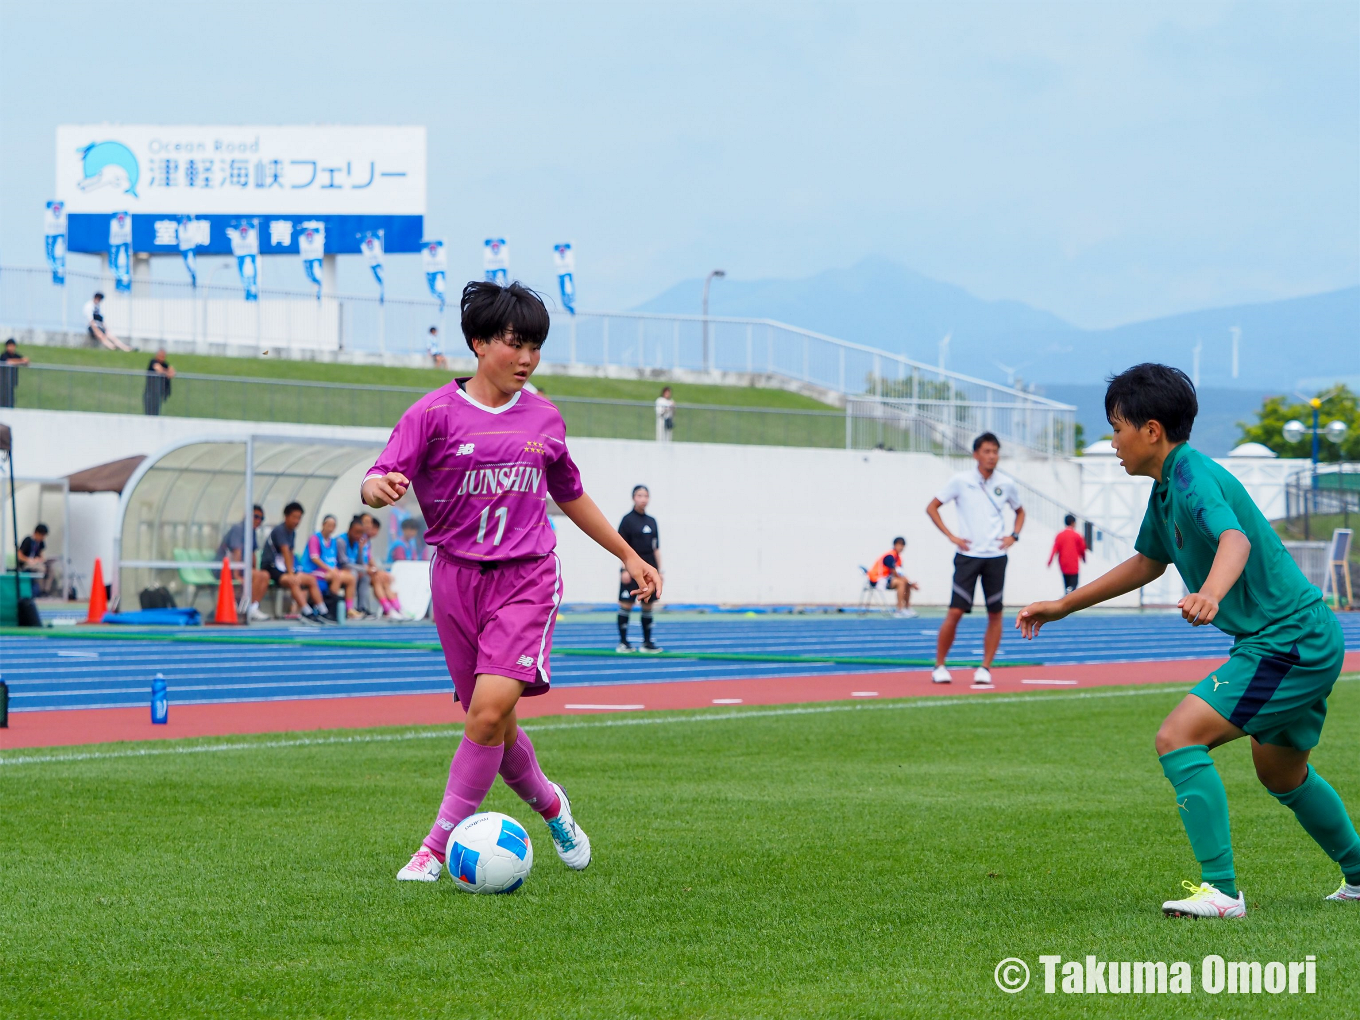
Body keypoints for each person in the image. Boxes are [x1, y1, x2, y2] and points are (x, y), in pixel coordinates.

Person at [1018, 363, 1360, 918]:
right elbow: (1149, 562)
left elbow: (1235, 539)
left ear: (1152, 430)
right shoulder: (1163, 490)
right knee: (1282, 773)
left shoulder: (1192, 476)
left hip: (1287, 640)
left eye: (1117, 426)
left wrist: (1211, 594)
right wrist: (1063, 605)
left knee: (1177, 737)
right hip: (1294, 637)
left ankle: (1222, 893)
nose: (1113, 441)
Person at [362, 279, 662, 884]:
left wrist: (628, 555)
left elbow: (570, 494)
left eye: (536, 347)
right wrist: (377, 490)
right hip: (454, 582)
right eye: (514, 344)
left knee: (487, 712)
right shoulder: (432, 414)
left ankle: (434, 849)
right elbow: (379, 476)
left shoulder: (545, 418)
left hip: (526, 580)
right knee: (494, 724)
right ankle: (555, 809)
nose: (526, 359)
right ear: (478, 344)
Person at [925, 432, 1025, 688]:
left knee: (995, 613)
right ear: (976, 454)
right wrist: (951, 536)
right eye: (987, 451)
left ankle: (985, 668)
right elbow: (932, 507)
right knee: (956, 611)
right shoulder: (961, 481)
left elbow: (1020, 511)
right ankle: (939, 665)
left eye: (995, 451)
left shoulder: (1006, 483)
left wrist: (1013, 535)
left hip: (996, 557)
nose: (992, 456)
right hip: (967, 556)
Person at [258, 502, 329, 624]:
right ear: (286, 516)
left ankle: (323, 611)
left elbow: (291, 553)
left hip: (284, 568)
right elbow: (285, 552)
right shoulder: (280, 530)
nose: (297, 521)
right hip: (271, 567)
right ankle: (307, 612)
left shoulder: (292, 532)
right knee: (293, 581)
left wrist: (296, 571)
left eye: (299, 518)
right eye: (294, 517)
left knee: (311, 580)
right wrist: (291, 574)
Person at [617, 484, 663, 652]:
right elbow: (621, 546)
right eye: (639, 495)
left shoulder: (652, 521)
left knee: (648, 605)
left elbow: (656, 547)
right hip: (632, 567)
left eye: (645, 496)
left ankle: (647, 643)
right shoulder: (627, 520)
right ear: (633, 498)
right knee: (626, 604)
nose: (643, 499)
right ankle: (623, 642)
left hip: (649, 567)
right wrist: (624, 569)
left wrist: (660, 571)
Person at [216, 504, 270, 622]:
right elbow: (237, 552)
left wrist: (256, 569)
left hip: (241, 568)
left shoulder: (252, 531)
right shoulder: (239, 529)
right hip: (225, 568)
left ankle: (252, 607)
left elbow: (252, 553)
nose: (258, 521)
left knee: (264, 575)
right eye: (256, 517)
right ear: (247, 516)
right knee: (256, 575)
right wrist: (236, 575)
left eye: (261, 518)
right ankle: (243, 610)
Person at [299, 514, 360, 619]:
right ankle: (329, 605)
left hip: (327, 571)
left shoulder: (332, 541)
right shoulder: (315, 538)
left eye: (333, 525)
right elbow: (315, 558)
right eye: (329, 524)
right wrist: (330, 570)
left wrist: (334, 569)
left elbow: (333, 561)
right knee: (336, 576)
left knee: (351, 578)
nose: (331, 527)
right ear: (323, 524)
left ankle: (349, 609)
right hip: (313, 570)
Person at [361, 513, 407, 618]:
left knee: (384, 578)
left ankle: (397, 608)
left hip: (367, 570)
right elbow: (357, 560)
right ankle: (388, 609)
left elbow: (369, 558)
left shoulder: (367, 541)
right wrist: (372, 570)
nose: (369, 526)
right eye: (366, 523)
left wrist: (377, 570)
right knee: (378, 579)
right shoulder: (358, 539)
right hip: (361, 570)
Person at [868, 536, 919, 618]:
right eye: (899, 545)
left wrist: (910, 583)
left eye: (902, 545)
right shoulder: (890, 556)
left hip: (886, 580)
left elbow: (901, 573)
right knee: (901, 583)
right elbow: (895, 573)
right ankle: (899, 610)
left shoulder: (898, 558)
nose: (901, 547)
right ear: (895, 545)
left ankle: (907, 608)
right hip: (877, 580)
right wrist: (909, 582)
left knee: (906, 583)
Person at [1048, 514, 1087, 595]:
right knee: (1073, 585)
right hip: (1073, 564)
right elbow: (1082, 548)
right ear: (1073, 523)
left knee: (1067, 584)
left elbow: (1054, 549)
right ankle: (1070, 597)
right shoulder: (1077, 535)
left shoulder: (1059, 535)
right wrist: (1084, 558)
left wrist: (1050, 561)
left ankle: (1067, 595)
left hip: (1063, 564)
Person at [17, 523, 50, 595]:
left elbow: (41, 555)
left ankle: (46, 590)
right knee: (41, 569)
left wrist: (41, 559)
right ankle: (39, 591)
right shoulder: (28, 540)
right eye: (42, 535)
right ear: (37, 533)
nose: (43, 538)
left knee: (51, 569)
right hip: (26, 564)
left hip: (36, 563)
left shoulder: (40, 543)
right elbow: (19, 555)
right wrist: (28, 560)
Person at [143, 348, 175, 415]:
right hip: (150, 392)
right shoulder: (153, 361)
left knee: (156, 411)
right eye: (161, 356)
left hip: (159, 393)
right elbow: (159, 370)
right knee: (149, 411)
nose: (162, 358)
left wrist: (166, 372)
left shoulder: (165, 364)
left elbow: (172, 372)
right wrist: (166, 372)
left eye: (164, 356)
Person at [0, 338, 29, 408]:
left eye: (13, 346)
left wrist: (20, 361)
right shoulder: (4, 355)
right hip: (3, 382)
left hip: (11, 382)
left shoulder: (16, 355)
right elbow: (8, 362)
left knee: (10, 400)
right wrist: (20, 361)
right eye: (10, 346)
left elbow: (26, 360)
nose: (11, 348)